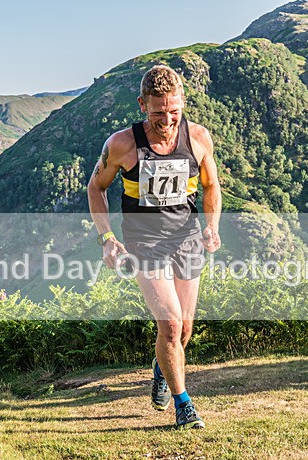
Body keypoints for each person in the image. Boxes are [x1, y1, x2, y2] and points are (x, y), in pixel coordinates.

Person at [87, 65, 222, 429]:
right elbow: (95, 188)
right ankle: (184, 406)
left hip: (187, 239)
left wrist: (212, 225)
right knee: (170, 322)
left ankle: (163, 367)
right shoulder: (122, 145)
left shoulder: (198, 138)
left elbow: (211, 185)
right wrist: (107, 238)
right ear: (142, 104)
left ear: (183, 103)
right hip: (144, 243)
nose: (167, 119)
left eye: (174, 110)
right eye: (158, 111)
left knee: (186, 329)